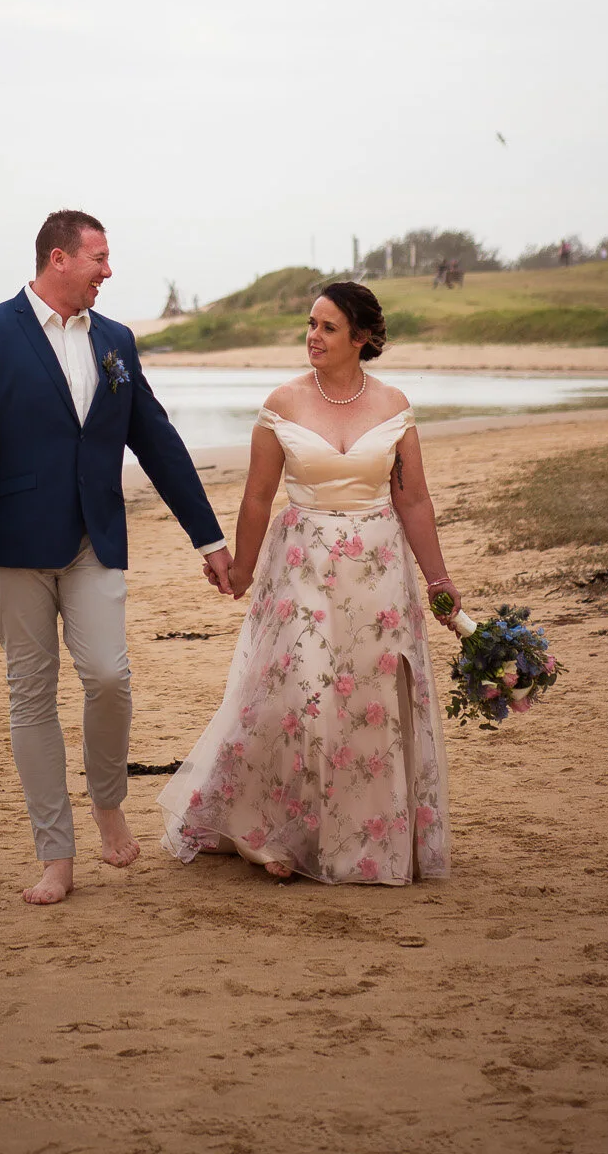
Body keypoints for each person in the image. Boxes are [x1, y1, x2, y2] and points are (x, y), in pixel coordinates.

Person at [0, 210, 232, 905]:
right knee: (30, 696)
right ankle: (55, 855)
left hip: (92, 541)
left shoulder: (115, 341)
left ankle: (107, 799)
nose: (108, 271)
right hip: (10, 545)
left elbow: (154, 440)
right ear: (58, 258)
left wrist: (208, 538)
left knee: (108, 675)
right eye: (98, 258)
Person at [159, 281, 462, 886]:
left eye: (327, 327)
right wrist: (242, 569)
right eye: (310, 324)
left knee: (370, 702)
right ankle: (271, 830)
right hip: (301, 566)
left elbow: (415, 499)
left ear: (364, 337)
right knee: (303, 692)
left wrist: (438, 579)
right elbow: (256, 497)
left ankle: (361, 838)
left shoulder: (395, 406)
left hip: (378, 573)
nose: (313, 337)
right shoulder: (283, 403)